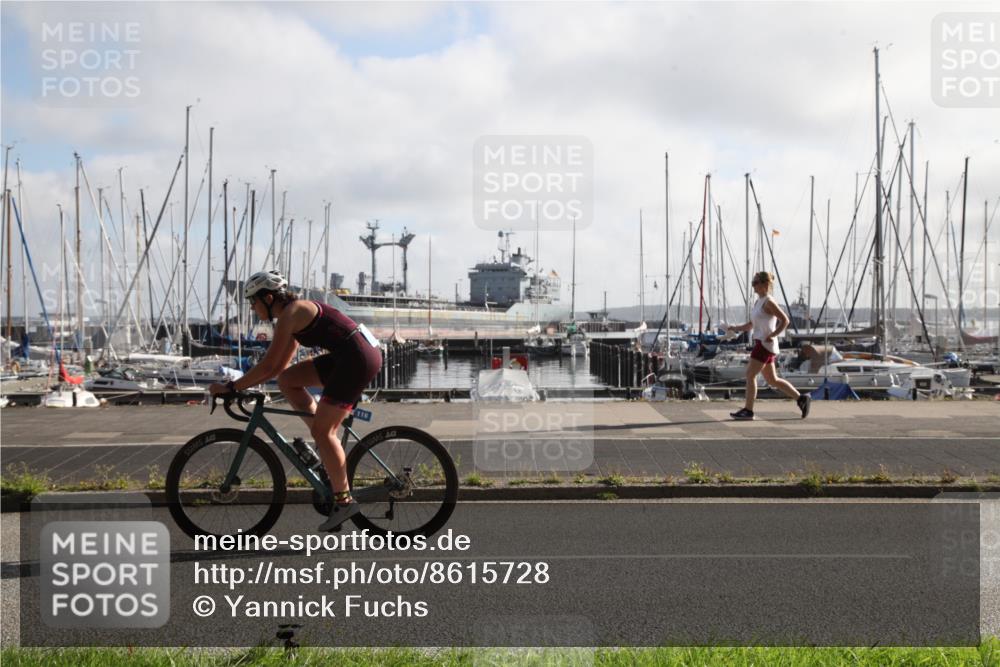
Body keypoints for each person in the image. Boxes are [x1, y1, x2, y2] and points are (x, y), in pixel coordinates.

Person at [208, 270, 383, 531]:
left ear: (268, 297)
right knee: (289, 380)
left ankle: (344, 502)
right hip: (347, 356)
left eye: (253, 302)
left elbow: (267, 365)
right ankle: (324, 444)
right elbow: (279, 368)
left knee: (325, 433)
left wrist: (232, 386)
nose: (253, 309)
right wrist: (244, 385)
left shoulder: (292, 314)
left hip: (356, 360)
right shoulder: (289, 318)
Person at [726, 271, 810, 421]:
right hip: (762, 343)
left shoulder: (769, 302)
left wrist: (772, 335)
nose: (753, 286)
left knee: (750, 375)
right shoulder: (759, 302)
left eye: (756, 283)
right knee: (772, 380)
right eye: (753, 283)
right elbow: (752, 324)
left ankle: (748, 410)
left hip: (765, 344)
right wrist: (735, 328)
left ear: (765, 284)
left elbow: (785, 320)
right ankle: (802, 398)